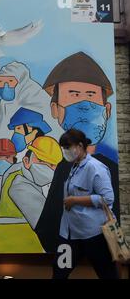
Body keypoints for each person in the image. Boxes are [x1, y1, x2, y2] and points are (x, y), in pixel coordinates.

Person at [36, 51, 120, 253]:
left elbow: (108, 201)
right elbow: (50, 221)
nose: (84, 105)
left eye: (91, 96)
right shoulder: (65, 167)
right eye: (74, 95)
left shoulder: (104, 167)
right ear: (55, 109)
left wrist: (77, 201)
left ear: (107, 110)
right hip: (71, 241)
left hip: (93, 238)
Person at [52, 129, 119, 279]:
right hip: (69, 234)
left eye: (68, 147)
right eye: (63, 148)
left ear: (80, 146)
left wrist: (75, 200)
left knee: (107, 274)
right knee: (59, 271)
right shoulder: (74, 166)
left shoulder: (95, 167)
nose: (65, 151)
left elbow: (107, 198)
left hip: (93, 235)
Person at [0, 136, 62, 253]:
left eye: (52, 165)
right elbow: (46, 223)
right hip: (14, 248)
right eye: (41, 161)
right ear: (26, 161)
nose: (47, 169)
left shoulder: (25, 177)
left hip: (21, 248)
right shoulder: (18, 184)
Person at [0, 61, 62, 146]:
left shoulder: (36, 97)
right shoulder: (3, 104)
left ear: (21, 81)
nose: (5, 86)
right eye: (0, 81)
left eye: (10, 81)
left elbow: (51, 129)